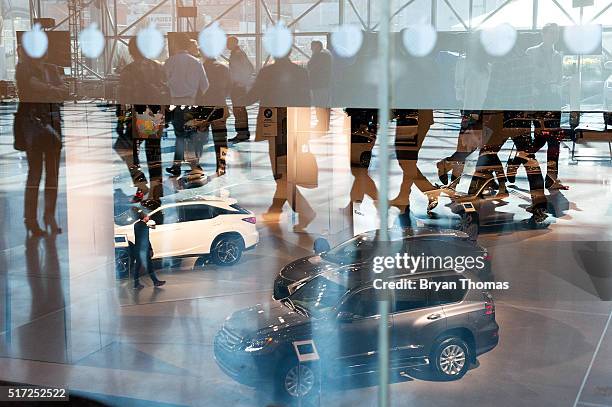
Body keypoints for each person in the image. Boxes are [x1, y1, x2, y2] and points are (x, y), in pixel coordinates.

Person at [15, 46, 67, 236]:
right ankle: (31, 219)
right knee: (35, 173)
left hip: (52, 124)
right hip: (34, 125)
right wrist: (52, 89)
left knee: (52, 175)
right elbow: (31, 87)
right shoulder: (24, 69)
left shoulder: (51, 69)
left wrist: (47, 89)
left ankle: (48, 215)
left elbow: (63, 92)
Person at [116, 37, 168, 203]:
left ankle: (140, 183)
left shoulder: (129, 70)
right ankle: (156, 191)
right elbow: (165, 90)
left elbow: (123, 96)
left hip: (137, 113)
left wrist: (120, 118)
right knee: (153, 153)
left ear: (131, 51)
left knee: (125, 149)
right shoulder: (158, 67)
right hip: (154, 113)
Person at [525, 23, 567, 190]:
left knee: (553, 139)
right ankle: (520, 159)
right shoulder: (531, 52)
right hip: (538, 99)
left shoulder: (558, 56)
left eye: (556, 33)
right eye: (550, 33)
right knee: (543, 137)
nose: (554, 36)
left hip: (553, 98)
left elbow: (558, 77)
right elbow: (526, 77)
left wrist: (560, 85)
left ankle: (551, 177)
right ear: (543, 34)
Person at [164, 34, 209, 176]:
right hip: (191, 103)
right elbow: (205, 86)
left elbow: (163, 83)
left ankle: (177, 166)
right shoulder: (196, 62)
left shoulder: (170, 62)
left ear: (176, 45)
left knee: (179, 135)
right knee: (191, 135)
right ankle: (194, 166)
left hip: (175, 103)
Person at [200, 54, 231, 175]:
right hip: (219, 106)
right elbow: (229, 87)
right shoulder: (224, 68)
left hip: (203, 107)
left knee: (198, 138)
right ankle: (222, 164)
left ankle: (196, 166)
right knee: (221, 139)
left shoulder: (200, 68)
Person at [227, 36, 254, 143]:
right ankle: (242, 132)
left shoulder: (238, 54)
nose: (226, 45)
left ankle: (242, 133)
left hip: (238, 87)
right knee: (239, 110)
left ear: (234, 43)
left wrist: (240, 81)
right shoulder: (237, 53)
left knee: (239, 110)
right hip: (238, 86)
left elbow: (249, 68)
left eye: (228, 43)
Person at [133, 209, 165, 289]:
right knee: (149, 266)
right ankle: (155, 282)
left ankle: (137, 284)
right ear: (144, 217)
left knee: (138, 266)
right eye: (147, 216)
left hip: (138, 249)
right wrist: (150, 249)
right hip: (144, 250)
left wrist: (149, 226)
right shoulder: (144, 226)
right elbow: (146, 239)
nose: (148, 217)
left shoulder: (136, 225)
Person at [307, 40, 332, 129]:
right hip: (323, 84)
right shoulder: (325, 55)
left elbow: (310, 67)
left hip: (319, 84)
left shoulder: (319, 56)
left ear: (317, 47)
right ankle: (324, 123)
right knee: (323, 104)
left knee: (320, 103)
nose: (311, 48)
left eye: (312, 46)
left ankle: (322, 123)